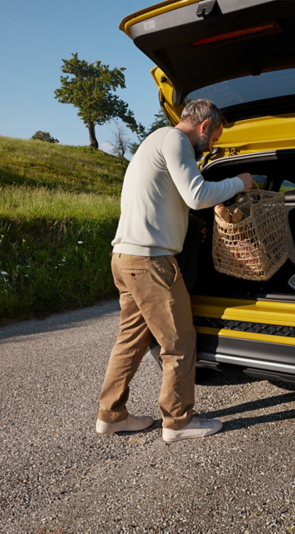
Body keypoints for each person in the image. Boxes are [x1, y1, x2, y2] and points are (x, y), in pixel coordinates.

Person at [96, 99, 253, 442]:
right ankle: (178, 422)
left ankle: (111, 415)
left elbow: (172, 199)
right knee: (179, 342)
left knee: (131, 341)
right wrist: (240, 183)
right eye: (213, 138)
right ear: (203, 127)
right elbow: (197, 195)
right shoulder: (175, 140)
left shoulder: (155, 142)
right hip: (150, 262)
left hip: (125, 256)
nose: (211, 146)